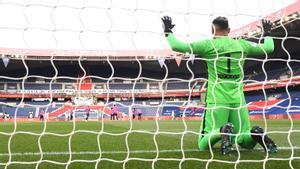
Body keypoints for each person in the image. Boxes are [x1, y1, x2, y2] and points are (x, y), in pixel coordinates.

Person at [162, 16, 277, 155]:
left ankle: (222, 131)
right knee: (244, 139)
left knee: (204, 143)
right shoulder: (242, 44)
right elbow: (269, 48)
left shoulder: (208, 45)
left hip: (217, 100)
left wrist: (167, 31)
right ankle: (255, 134)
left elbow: (177, 46)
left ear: (212, 30)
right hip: (238, 100)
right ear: (229, 30)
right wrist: (267, 34)